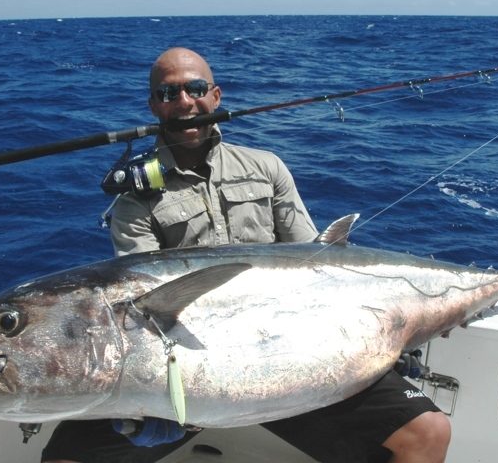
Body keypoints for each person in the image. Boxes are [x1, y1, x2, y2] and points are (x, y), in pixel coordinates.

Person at [42, 47, 450, 463]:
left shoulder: (266, 167)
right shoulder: (133, 201)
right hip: (189, 373)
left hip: (291, 354)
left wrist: (375, 333)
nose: (184, 102)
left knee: (427, 433)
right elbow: (145, 308)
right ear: (154, 106)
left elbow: (318, 265)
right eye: (168, 94)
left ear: (215, 96)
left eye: (195, 89)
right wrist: (149, 405)